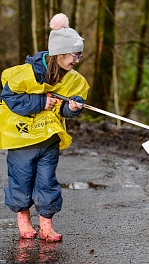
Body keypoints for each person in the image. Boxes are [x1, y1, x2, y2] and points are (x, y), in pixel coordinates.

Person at [0, 13, 90, 242]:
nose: (77, 59)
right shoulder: (26, 74)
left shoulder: (71, 78)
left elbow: (63, 110)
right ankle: (23, 220)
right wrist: (40, 102)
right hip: (23, 140)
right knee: (21, 180)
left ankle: (46, 225)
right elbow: (10, 98)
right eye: (74, 54)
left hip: (49, 139)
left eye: (79, 55)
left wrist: (73, 107)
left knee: (47, 181)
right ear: (59, 52)